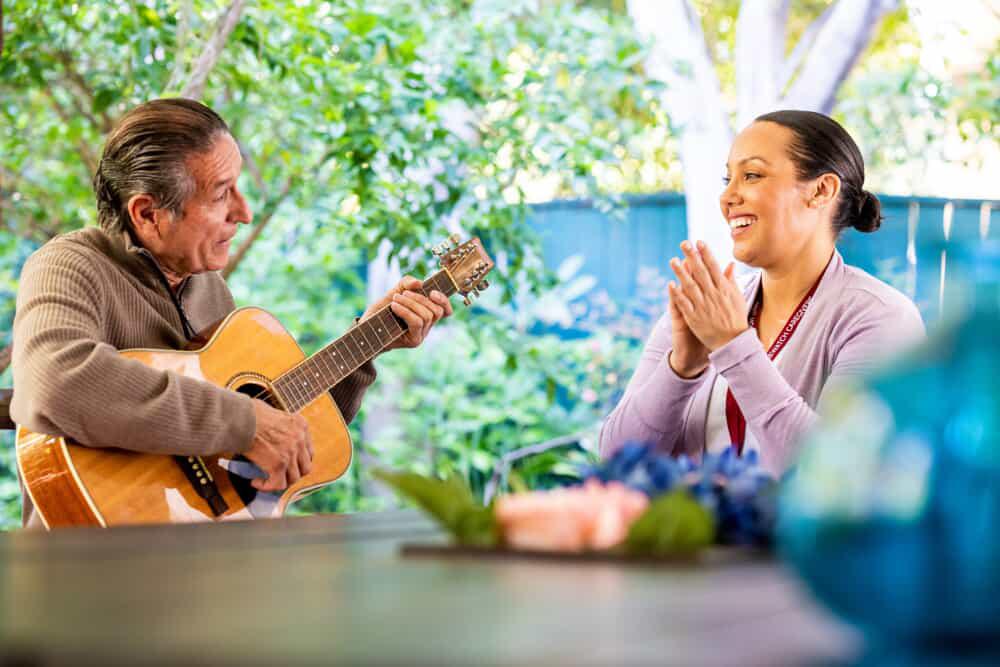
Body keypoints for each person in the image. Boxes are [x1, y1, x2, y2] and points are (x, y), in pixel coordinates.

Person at [11, 98, 452, 528]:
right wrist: (245, 421)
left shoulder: (210, 290)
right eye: (223, 195)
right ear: (148, 213)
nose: (244, 212)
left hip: (203, 561)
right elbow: (55, 380)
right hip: (91, 561)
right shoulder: (70, 265)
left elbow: (283, 431)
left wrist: (368, 344)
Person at [600, 110, 925, 476]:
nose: (727, 197)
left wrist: (733, 346)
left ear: (822, 190)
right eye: (728, 179)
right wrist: (683, 368)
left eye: (751, 175)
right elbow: (616, 458)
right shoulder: (708, 311)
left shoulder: (879, 317)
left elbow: (837, 473)